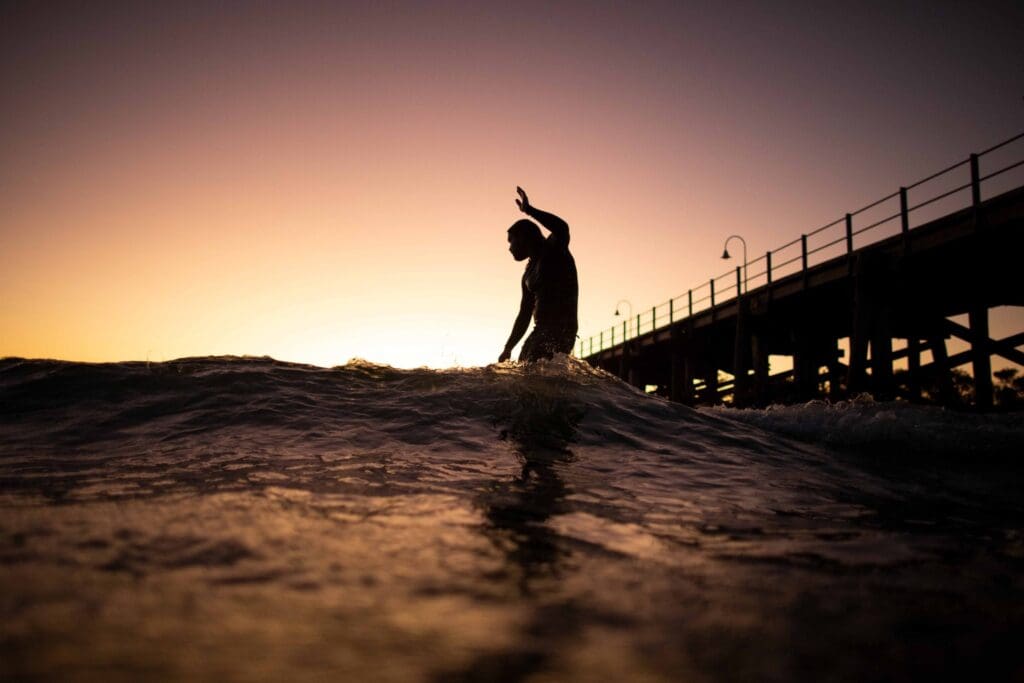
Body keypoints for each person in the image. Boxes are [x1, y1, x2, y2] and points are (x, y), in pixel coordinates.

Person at [499, 187, 579, 362]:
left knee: (531, 375)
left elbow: (562, 227)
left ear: (524, 237)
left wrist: (529, 210)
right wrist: (508, 348)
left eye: (511, 241)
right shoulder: (527, 275)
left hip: (561, 331)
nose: (509, 248)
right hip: (540, 331)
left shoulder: (554, 249)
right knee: (522, 374)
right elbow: (524, 313)